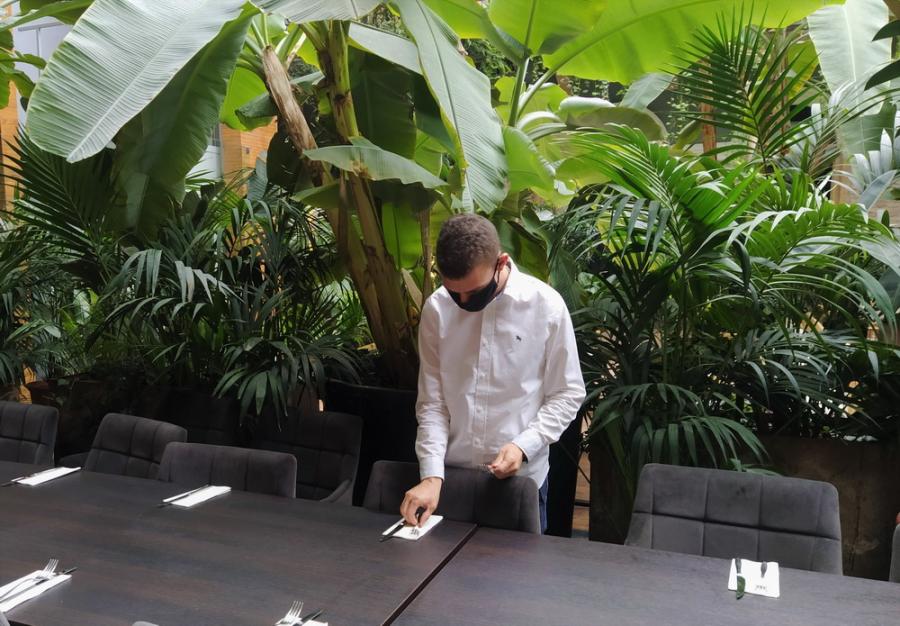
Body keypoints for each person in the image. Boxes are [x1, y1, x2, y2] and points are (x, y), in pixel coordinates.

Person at [400, 214, 586, 533]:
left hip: (521, 482)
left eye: (474, 292)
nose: (463, 302)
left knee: (520, 568)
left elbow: (567, 393)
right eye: (454, 293)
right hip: (451, 480)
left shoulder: (546, 307)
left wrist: (523, 446)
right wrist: (430, 475)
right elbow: (433, 404)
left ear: (501, 263)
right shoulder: (437, 309)